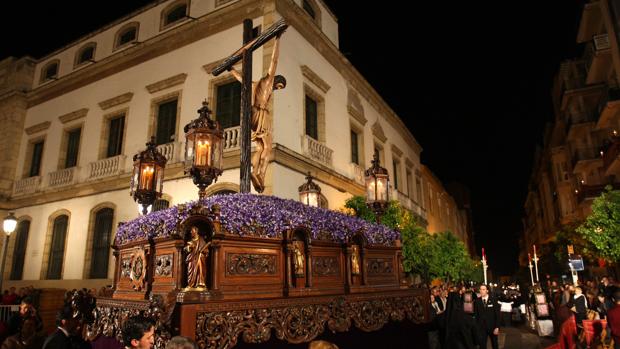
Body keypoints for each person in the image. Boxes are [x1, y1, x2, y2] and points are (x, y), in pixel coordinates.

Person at [229, 33, 286, 192]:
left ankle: (254, 171)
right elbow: (274, 61)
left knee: (260, 148)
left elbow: (241, 79)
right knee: (268, 147)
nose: (276, 89)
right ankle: (260, 174)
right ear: (276, 81)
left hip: (252, 114)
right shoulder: (268, 81)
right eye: (279, 86)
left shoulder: (254, 84)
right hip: (262, 115)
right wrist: (277, 39)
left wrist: (231, 69)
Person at [474, 284, 500, 349]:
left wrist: (497, 327)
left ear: (487, 291)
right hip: (482, 328)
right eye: (481, 289)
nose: (482, 291)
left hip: (492, 327)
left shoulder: (493, 300)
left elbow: (497, 314)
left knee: (495, 345)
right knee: (482, 346)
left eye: (483, 289)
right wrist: (477, 328)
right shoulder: (477, 301)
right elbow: (476, 315)